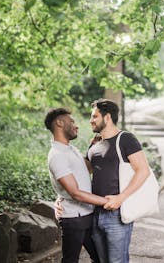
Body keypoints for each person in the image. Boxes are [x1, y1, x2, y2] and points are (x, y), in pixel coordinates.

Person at [87, 99, 151, 263]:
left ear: (107, 117)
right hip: (95, 212)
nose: (91, 120)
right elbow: (86, 172)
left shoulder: (126, 139)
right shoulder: (95, 143)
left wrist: (120, 198)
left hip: (116, 214)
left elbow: (143, 170)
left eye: (95, 116)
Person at [45, 107, 112, 263]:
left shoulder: (70, 149)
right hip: (74, 218)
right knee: (71, 260)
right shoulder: (57, 155)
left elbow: (86, 169)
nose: (76, 125)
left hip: (86, 214)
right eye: (72, 121)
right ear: (60, 123)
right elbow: (75, 192)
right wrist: (108, 201)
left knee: (100, 257)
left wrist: (92, 148)